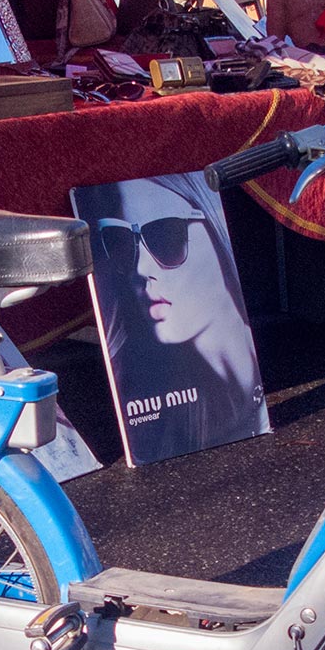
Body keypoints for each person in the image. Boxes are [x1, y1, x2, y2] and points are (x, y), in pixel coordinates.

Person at [74, 171, 269, 465]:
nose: (140, 269)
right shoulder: (159, 424)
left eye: (165, 236)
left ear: (216, 230)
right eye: (121, 242)